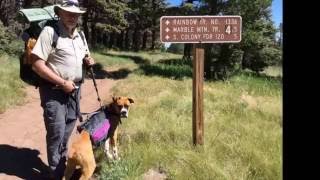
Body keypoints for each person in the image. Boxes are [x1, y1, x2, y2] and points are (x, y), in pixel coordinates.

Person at [31, 0, 94, 178]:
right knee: (56, 132)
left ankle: (62, 164)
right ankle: (57, 173)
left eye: (76, 14)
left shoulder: (80, 36)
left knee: (68, 128)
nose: (72, 17)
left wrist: (88, 61)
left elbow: (85, 56)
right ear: (59, 13)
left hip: (75, 90)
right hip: (54, 90)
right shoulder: (50, 32)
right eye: (68, 13)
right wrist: (62, 82)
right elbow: (37, 63)